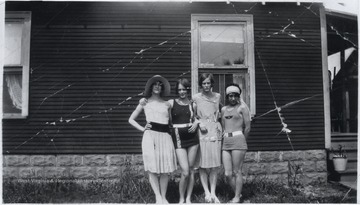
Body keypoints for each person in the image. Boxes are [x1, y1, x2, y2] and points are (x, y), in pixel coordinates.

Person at [140, 78, 200, 204]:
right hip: (178, 137)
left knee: (190, 169)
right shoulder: (171, 103)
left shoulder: (193, 104)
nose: (182, 92)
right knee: (184, 170)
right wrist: (143, 101)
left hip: (192, 138)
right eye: (179, 90)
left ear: (188, 89)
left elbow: (198, 116)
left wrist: (197, 122)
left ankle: (188, 198)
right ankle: (180, 198)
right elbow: (157, 106)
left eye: (184, 89)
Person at [128, 75, 177, 204]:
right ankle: (158, 197)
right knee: (153, 169)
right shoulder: (144, 102)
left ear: (162, 88)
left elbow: (171, 122)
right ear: (151, 87)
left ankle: (164, 197)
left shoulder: (167, 104)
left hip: (165, 137)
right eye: (155, 84)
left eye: (160, 84)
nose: (157, 86)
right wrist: (142, 129)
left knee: (165, 169)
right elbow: (131, 119)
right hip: (150, 137)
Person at [192, 73, 222, 203]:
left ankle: (214, 193)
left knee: (215, 165)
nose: (206, 85)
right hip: (202, 131)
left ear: (212, 84)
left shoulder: (217, 96)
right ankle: (207, 192)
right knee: (203, 165)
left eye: (208, 83)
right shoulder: (196, 98)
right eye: (203, 83)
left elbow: (217, 113)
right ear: (200, 84)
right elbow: (192, 115)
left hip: (214, 130)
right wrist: (199, 123)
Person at [221, 83, 251, 203]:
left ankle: (237, 197)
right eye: (230, 96)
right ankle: (238, 194)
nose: (233, 98)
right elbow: (224, 126)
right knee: (227, 174)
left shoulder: (242, 108)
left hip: (238, 140)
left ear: (239, 96)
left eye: (235, 96)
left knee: (236, 171)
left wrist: (243, 140)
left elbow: (248, 127)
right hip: (226, 141)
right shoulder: (223, 109)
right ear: (227, 96)